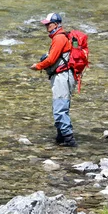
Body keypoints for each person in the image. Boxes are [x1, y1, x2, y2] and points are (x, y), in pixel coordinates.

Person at [30, 13, 77, 147]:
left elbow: (51, 59)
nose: (46, 27)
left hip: (62, 77)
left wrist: (38, 66)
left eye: (48, 24)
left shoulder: (59, 38)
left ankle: (69, 140)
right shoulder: (62, 37)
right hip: (64, 76)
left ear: (56, 24)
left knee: (60, 108)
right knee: (61, 106)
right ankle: (60, 137)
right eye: (46, 24)